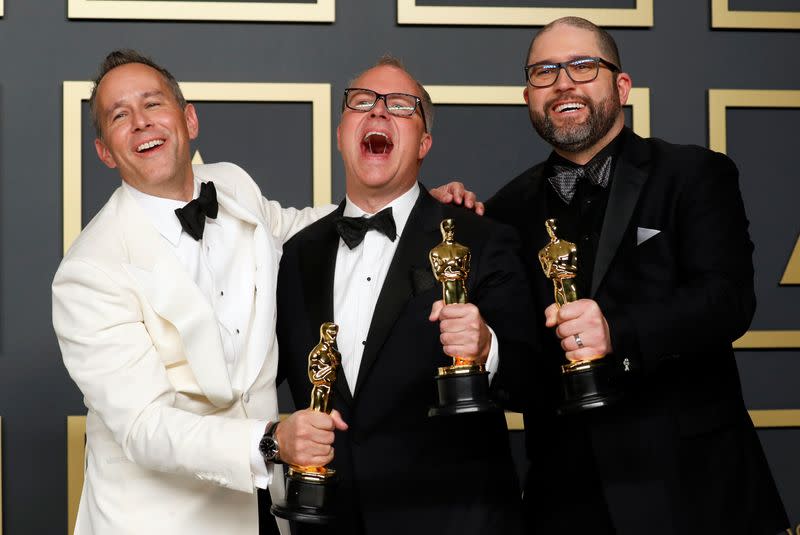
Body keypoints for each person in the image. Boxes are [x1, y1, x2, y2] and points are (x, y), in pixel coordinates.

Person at [51, 49, 476, 535]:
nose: (142, 123)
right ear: (105, 151)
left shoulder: (231, 184)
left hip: (263, 513)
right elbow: (145, 428)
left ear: (188, 119)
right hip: (155, 520)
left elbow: (304, 230)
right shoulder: (87, 272)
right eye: (119, 116)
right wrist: (272, 440)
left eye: (153, 104)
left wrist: (411, 206)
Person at [484, 17, 789, 535]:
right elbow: (517, 363)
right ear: (528, 96)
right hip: (564, 499)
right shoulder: (503, 211)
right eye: (544, 71)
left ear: (621, 86)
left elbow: (727, 300)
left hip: (695, 490)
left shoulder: (693, 174)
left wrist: (616, 330)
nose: (563, 82)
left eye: (583, 66)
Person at [274, 56, 533, 535]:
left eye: (400, 105)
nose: (378, 113)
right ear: (339, 133)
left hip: (454, 522)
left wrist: (486, 348)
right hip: (333, 523)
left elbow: (534, 374)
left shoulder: (481, 239)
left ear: (424, 144)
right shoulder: (295, 256)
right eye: (362, 103)